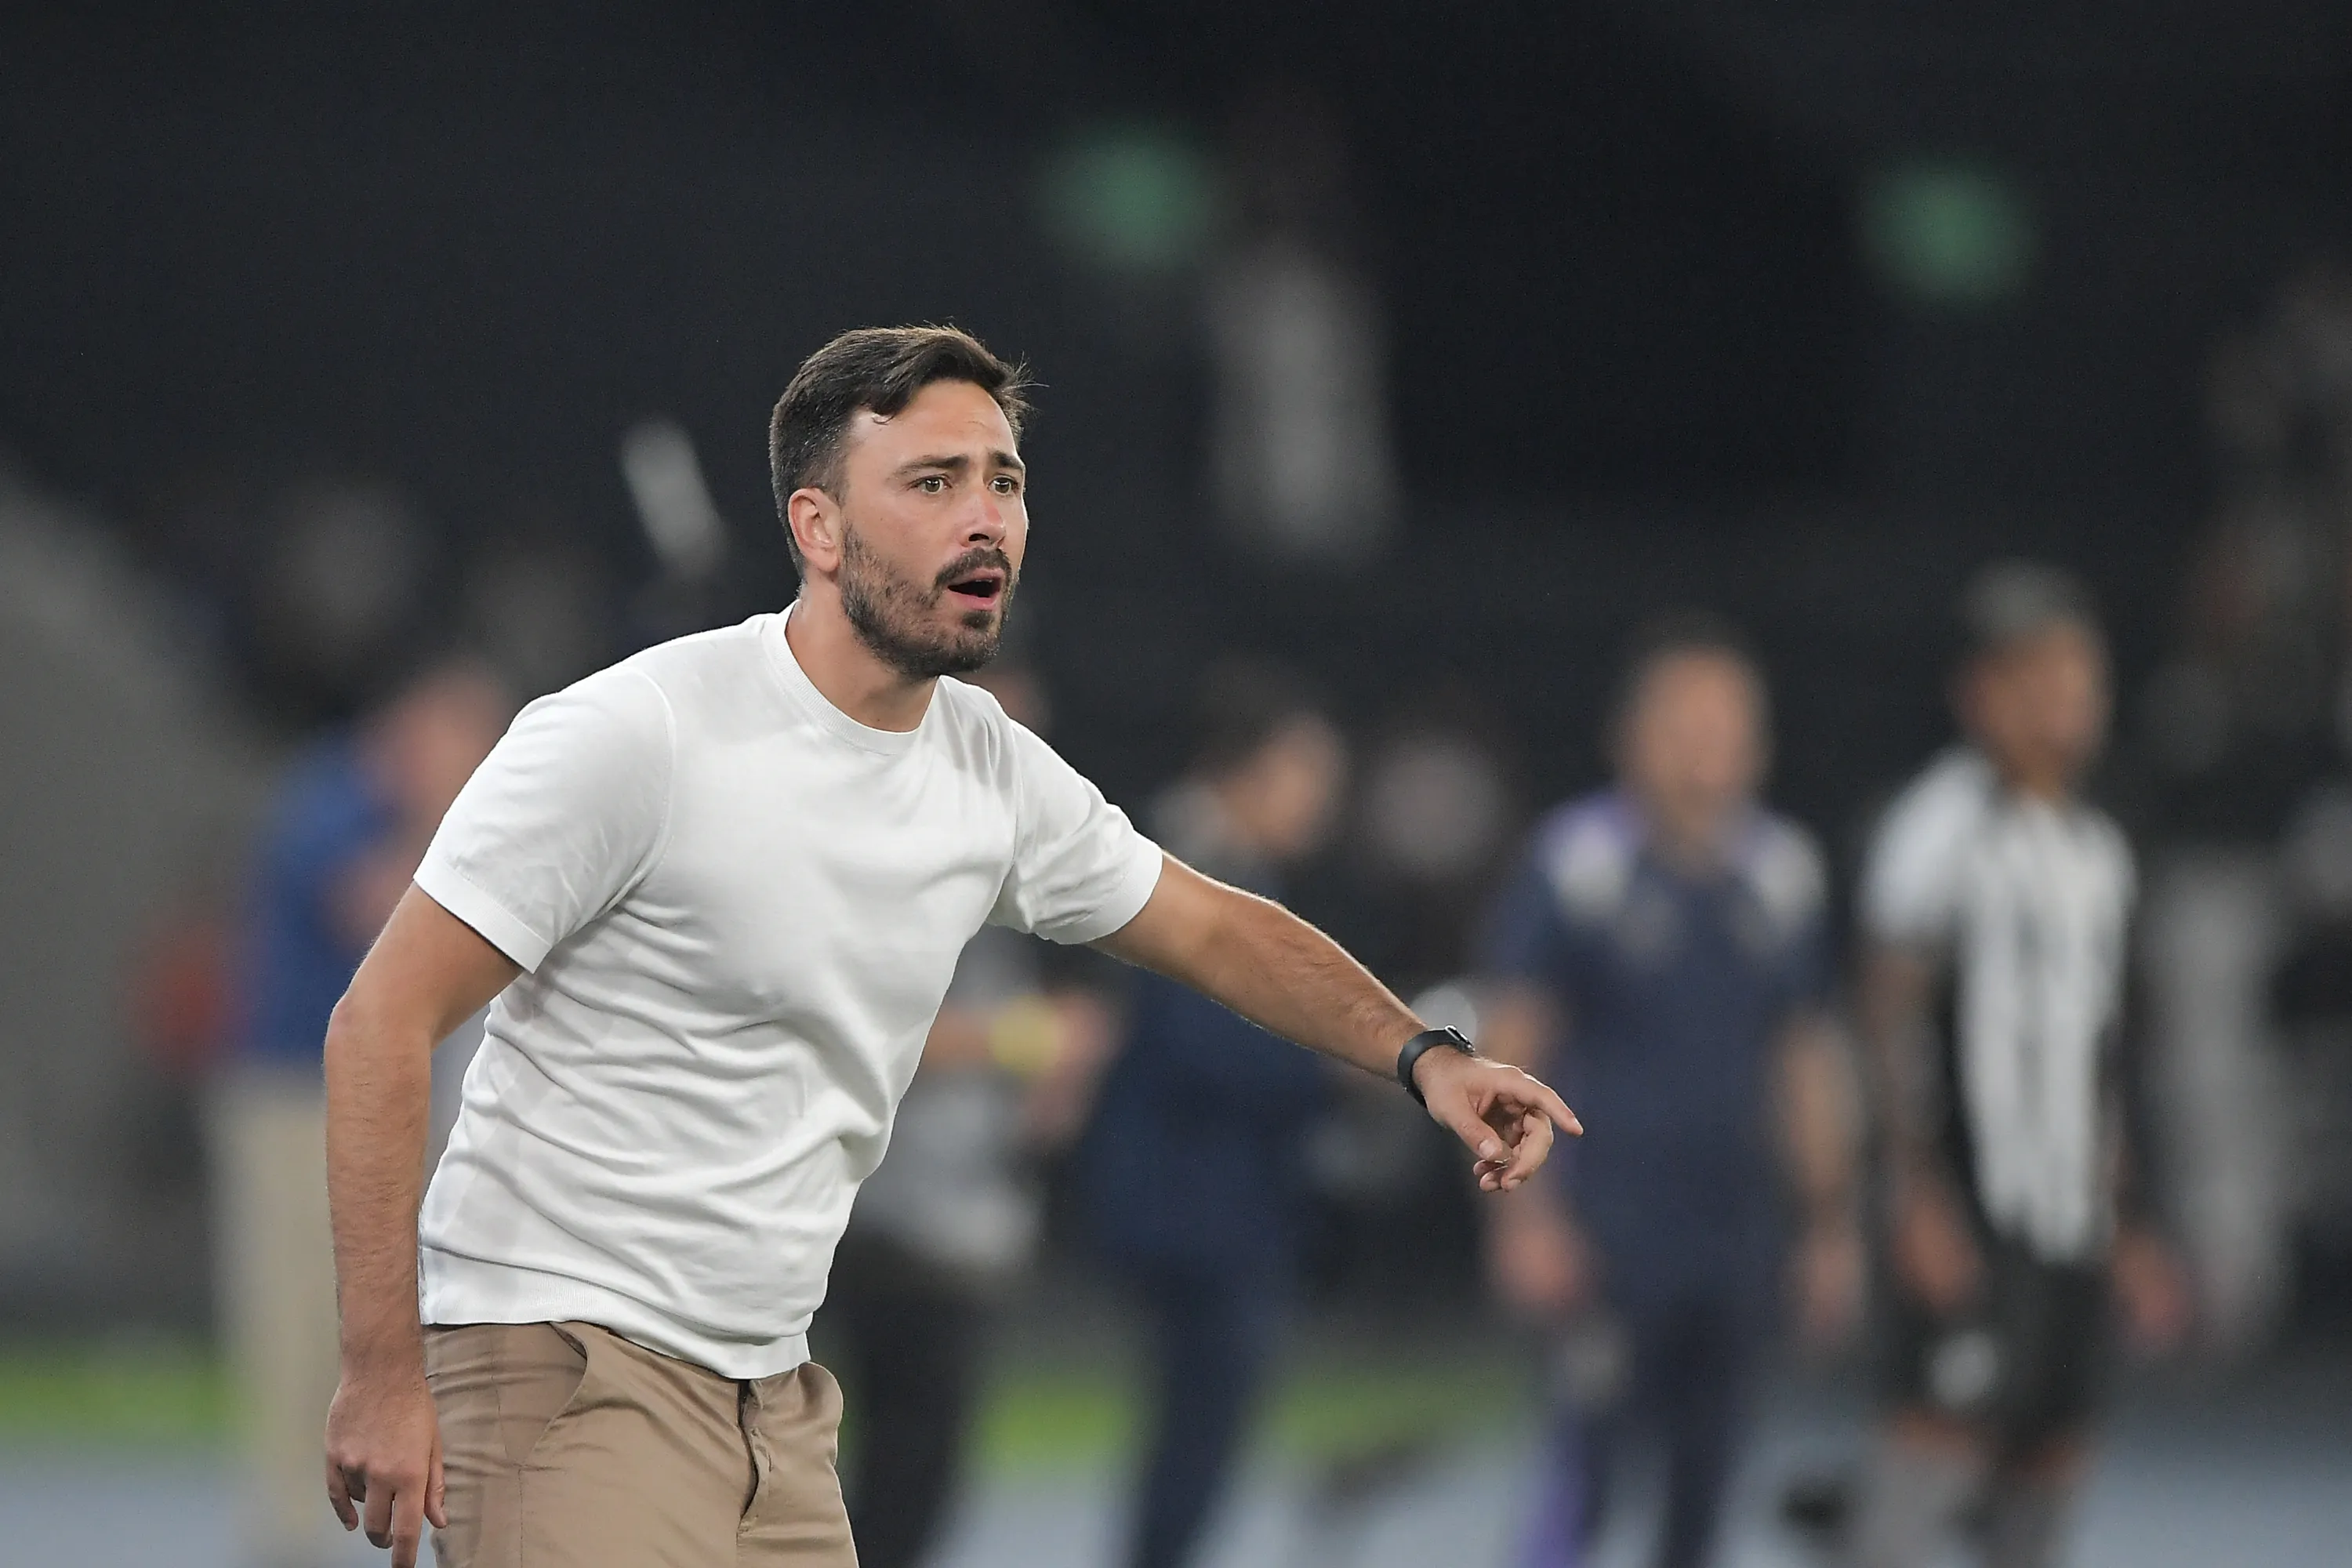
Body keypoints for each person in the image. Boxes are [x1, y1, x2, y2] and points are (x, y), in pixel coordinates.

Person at [318, 325, 1581, 1568]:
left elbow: (1212, 926)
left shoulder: (990, 772)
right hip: (561, 1359)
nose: (987, 520)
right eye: (933, 484)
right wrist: (380, 1370)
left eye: (1004, 482)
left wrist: (1424, 1055)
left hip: (769, 1393)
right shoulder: (635, 732)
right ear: (818, 529)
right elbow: (379, 1023)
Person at [1479, 615, 1860, 1568]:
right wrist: (1523, 1219)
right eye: (1684, 725)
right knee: (1585, 1476)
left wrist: (1828, 1224)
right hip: (1610, 1230)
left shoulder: (1781, 874)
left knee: (1708, 1484)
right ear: (1630, 737)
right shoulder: (1579, 864)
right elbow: (1511, 1046)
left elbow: (1805, 1060)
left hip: (1735, 1231)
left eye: (1726, 727)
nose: (1705, 751)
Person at [1848, 564, 2188, 1568]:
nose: (2060, 704)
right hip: (1970, 1203)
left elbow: (2101, 1058)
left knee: (2047, 1460)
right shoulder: (1938, 828)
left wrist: (2130, 1221)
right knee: (1932, 1456)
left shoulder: (2098, 851)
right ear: (1980, 692)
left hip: (2069, 1219)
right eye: (2033, 679)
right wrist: (1913, 1193)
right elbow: (1886, 1021)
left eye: (2078, 680)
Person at [818, 651, 1115, 1568]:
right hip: (883, 1216)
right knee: (881, 1482)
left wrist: (1058, 1070)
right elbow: (869, 1023)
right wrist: (1027, 1039)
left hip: (958, 1215)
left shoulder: (1006, 860)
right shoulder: (882, 848)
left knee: (914, 1483)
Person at [212, 654, 508, 1568]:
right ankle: (284, 1523)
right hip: (293, 1094)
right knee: (294, 1303)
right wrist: (437, 815)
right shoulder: (333, 799)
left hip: (376, 1094)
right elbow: (371, 910)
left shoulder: (380, 804)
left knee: (389, 1300)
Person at [1081, 662, 1349, 1568]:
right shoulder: (1181, 865)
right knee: (1195, 1438)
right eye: (1306, 771)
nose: (1320, 795)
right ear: (1249, 767)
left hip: (1217, 1196)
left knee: (1200, 1438)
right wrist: (1335, 1065)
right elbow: (1197, 1039)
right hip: (1192, 1201)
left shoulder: (1226, 865)